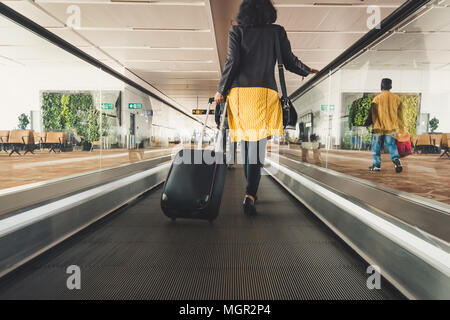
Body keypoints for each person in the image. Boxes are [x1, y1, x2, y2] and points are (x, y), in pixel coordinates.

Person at [214, 0, 319, 216]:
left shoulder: (237, 31)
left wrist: (221, 90)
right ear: (268, 11)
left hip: (240, 95)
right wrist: (306, 70)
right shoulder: (276, 32)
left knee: (245, 143)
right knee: (257, 145)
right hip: (264, 94)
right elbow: (289, 60)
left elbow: (232, 62)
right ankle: (251, 192)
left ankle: (250, 188)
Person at [368, 78, 404, 173]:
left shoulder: (377, 99)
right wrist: (401, 129)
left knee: (376, 147)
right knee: (392, 146)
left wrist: (367, 123)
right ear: (390, 86)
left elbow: (373, 114)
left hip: (378, 128)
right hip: (391, 128)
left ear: (381, 86)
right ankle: (396, 160)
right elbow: (400, 116)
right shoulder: (397, 99)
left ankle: (376, 166)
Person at [215, 102, 237, 167]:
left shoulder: (221, 97)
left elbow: (217, 112)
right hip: (233, 119)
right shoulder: (235, 95)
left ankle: (222, 160)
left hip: (223, 118)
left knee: (222, 141)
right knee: (232, 142)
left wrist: (217, 122)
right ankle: (230, 163)